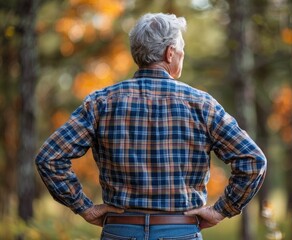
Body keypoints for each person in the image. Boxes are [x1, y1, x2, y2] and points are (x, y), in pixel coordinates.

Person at [35, 13, 267, 240]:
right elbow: (252, 160)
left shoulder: (101, 102)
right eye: (181, 51)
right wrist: (222, 210)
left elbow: (49, 158)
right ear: (170, 53)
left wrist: (84, 207)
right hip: (181, 231)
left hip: (120, 230)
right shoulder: (202, 104)